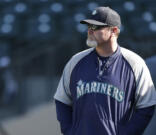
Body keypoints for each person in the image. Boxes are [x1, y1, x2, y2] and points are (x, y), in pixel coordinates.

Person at [54, 6, 156, 135]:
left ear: (113, 31)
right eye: (89, 26)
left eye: (96, 27)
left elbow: (146, 106)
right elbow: (62, 100)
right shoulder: (76, 61)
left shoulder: (135, 63)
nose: (90, 31)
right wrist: (69, 131)